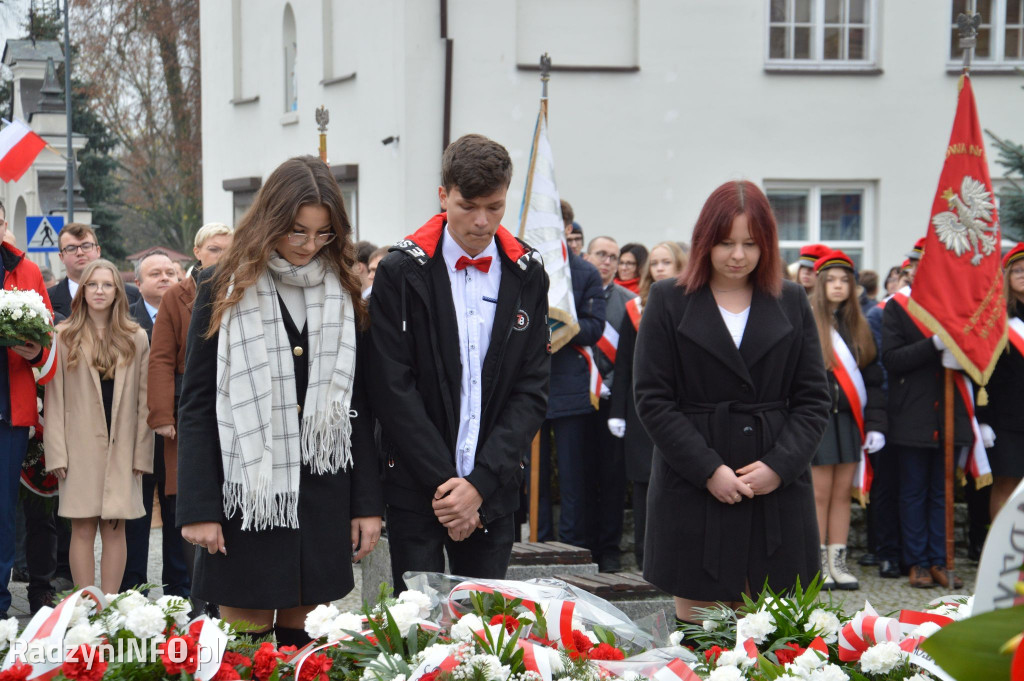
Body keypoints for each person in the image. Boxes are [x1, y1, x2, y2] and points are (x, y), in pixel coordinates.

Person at [176, 157, 382, 645]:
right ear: (270, 220)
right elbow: (198, 402)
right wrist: (199, 507)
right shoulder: (218, 284)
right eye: (297, 232)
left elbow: (360, 405)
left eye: (322, 234)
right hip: (245, 497)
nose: (310, 246)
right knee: (242, 654)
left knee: (305, 650)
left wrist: (366, 505)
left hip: (321, 496)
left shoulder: (345, 289)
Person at [634, 180, 829, 628]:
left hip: (775, 490)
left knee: (776, 640)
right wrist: (708, 470)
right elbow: (653, 399)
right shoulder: (668, 300)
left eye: (750, 243)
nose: (737, 255)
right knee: (703, 635)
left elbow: (813, 399)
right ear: (705, 241)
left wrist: (780, 466)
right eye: (726, 243)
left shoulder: (792, 300)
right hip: (695, 485)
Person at [368, 134, 550, 593]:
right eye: (469, 206)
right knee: (418, 634)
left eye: (495, 206)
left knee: (484, 639)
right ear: (443, 196)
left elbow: (530, 389)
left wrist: (480, 484)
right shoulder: (401, 271)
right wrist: (449, 488)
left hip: (494, 488)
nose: (482, 221)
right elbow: (392, 387)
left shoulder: (527, 272)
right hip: (417, 487)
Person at [44, 259, 153, 594]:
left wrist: (141, 456)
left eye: (107, 284)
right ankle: (84, 604)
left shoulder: (135, 338)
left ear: (118, 291)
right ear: (83, 291)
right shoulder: (63, 337)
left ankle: (109, 605)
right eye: (93, 284)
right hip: (78, 449)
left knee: (115, 528)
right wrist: (57, 453)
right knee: (81, 528)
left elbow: (144, 402)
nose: (100, 291)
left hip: (122, 448)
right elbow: (54, 399)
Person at [148, 223, 233, 614]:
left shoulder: (241, 287)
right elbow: (162, 356)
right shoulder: (176, 296)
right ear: (198, 252)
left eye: (229, 250)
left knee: (225, 498)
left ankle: (228, 594)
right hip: (187, 409)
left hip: (230, 405)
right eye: (214, 249)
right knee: (187, 497)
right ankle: (198, 602)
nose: (222, 256)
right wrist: (162, 415)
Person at [882, 261, 973, 589]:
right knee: (913, 492)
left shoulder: (960, 306)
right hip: (913, 415)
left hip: (952, 413)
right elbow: (891, 359)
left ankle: (940, 560)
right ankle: (918, 562)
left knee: (942, 491)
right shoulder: (898, 308)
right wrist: (933, 345)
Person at [807, 250, 886, 591]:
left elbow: (874, 379)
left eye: (844, 281)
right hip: (817, 421)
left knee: (842, 493)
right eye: (832, 281)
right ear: (821, 284)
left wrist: (877, 424)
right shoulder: (807, 323)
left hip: (850, 422)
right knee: (818, 493)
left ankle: (837, 564)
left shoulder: (860, 325)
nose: (838, 287)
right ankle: (815, 563)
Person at [610, 241, 686, 571]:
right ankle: (645, 561)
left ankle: (679, 559)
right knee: (644, 487)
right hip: (642, 413)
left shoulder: (695, 305)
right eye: (654, 263)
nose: (658, 268)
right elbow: (624, 363)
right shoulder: (635, 308)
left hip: (683, 410)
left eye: (666, 262)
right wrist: (616, 411)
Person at [0, 201, 57, 619]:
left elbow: (48, 336)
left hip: (9, 416)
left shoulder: (26, 270)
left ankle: (0, 606)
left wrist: (36, 348)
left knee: (3, 514)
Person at [121, 250, 188, 595]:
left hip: (179, 428)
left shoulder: (191, 316)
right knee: (137, 512)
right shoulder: (125, 322)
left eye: (170, 272)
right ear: (137, 282)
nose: (164, 278)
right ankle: (133, 588)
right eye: (155, 273)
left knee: (178, 509)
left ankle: (179, 588)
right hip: (138, 431)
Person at [535, 220, 605, 546]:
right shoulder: (526, 267)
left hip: (572, 387)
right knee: (533, 479)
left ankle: (569, 547)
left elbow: (595, 329)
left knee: (571, 477)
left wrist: (563, 323)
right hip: (531, 387)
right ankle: (537, 543)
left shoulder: (585, 273)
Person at [583, 235, 634, 572]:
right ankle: (583, 546)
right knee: (581, 478)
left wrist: (608, 386)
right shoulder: (574, 298)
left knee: (612, 478)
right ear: (587, 256)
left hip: (613, 405)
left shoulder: (630, 303)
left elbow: (629, 359)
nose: (607, 261)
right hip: (579, 402)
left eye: (613, 257)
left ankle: (610, 551)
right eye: (601, 254)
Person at [980, 243, 1024, 519]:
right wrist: (982, 417)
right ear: (1006, 276)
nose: (1022, 275)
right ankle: (1000, 556)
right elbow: (984, 371)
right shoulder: (996, 318)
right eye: (1017, 270)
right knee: (1006, 484)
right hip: (1005, 418)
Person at [48, 223, 140, 318]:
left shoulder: (131, 295)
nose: (80, 253)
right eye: (71, 248)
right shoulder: (47, 299)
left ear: (98, 251)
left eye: (86, 246)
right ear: (61, 257)